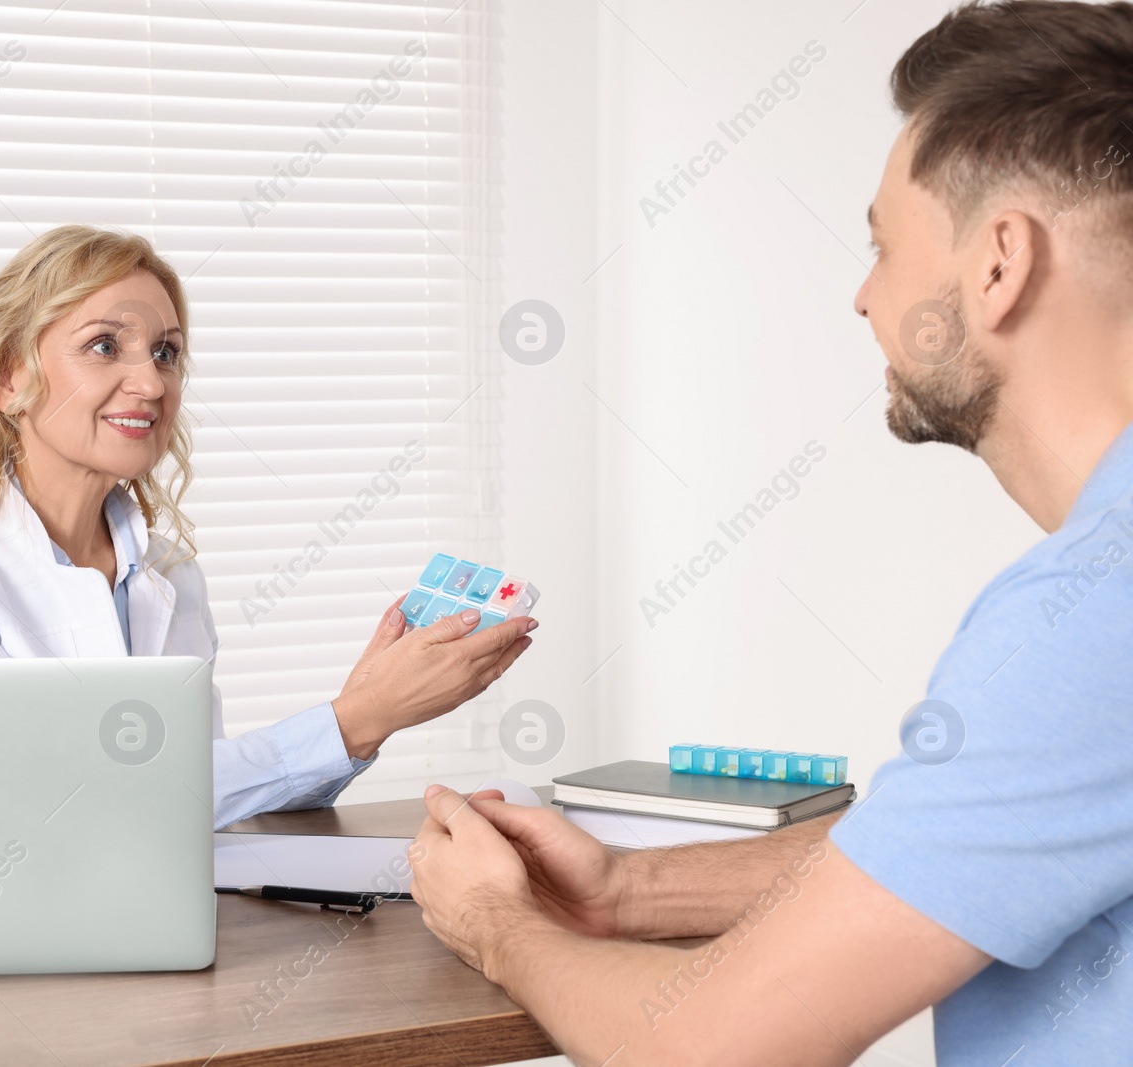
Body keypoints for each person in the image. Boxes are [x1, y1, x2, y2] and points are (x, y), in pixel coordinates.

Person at [409, 2, 1133, 1063]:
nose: (859, 296)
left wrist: (492, 920)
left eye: (884, 247)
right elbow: (967, 839)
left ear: (996, 265)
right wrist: (626, 888)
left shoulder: (1088, 618)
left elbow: (704, 1048)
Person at [0, 225, 536, 829]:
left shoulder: (168, 575)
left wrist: (365, 711)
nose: (151, 384)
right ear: (11, 379)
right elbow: (57, 811)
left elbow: (203, 795)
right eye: (103, 346)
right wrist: (354, 718)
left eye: (165, 353)